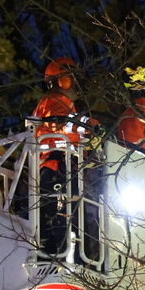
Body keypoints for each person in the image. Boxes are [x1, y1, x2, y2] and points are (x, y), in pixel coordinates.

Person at [31, 57, 95, 256]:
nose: (76, 84)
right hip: (55, 166)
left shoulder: (65, 104)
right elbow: (58, 123)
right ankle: (59, 254)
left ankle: (68, 253)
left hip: (62, 165)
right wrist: (87, 125)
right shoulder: (54, 101)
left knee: (70, 216)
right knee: (62, 216)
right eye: (72, 78)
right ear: (62, 80)